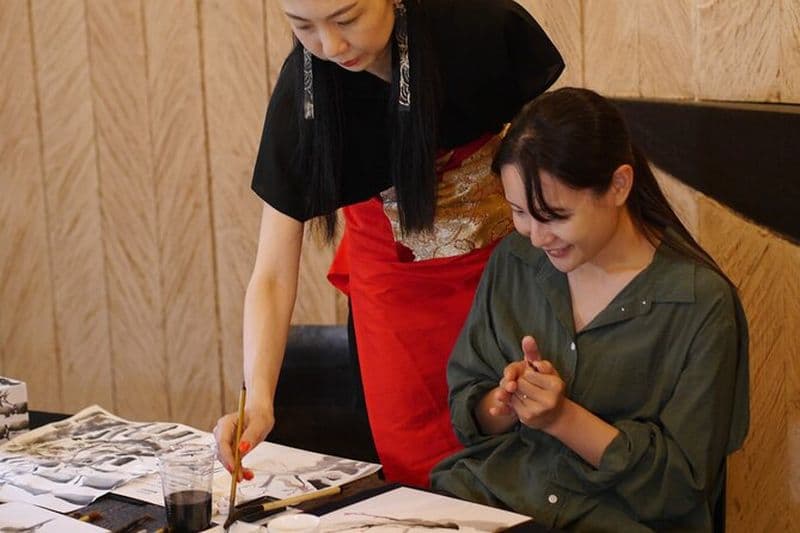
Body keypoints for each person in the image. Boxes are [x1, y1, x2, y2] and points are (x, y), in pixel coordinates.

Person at [213, 0, 564, 487]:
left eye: (347, 19)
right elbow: (271, 274)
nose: (331, 46)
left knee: (528, 441)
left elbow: (550, 165)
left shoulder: (474, 28)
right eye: (303, 27)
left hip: (507, 274)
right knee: (420, 472)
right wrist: (258, 400)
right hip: (395, 294)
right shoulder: (305, 92)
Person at [430, 88, 750, 531]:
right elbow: (469, 411)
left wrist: (563, 418)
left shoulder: (700, 304)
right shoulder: (514, 259)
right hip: (493, 503)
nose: (537, 237)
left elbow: (682, 486)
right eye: (520, 213)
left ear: (619, 185)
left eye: (555, 215)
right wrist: (504, 403)